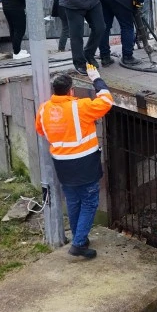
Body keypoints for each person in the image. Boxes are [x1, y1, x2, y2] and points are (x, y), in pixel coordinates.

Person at [36, 69, 114, 259]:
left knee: (73, 200)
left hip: (62, 164)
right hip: (84, 163)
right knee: (89, 202)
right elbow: (106, 100)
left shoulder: (44, 109)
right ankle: (78, 243)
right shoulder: (81, 107)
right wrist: (96, 78)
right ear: (71, 91)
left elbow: (41, 131)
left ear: (54, 91)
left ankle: (79, 237)